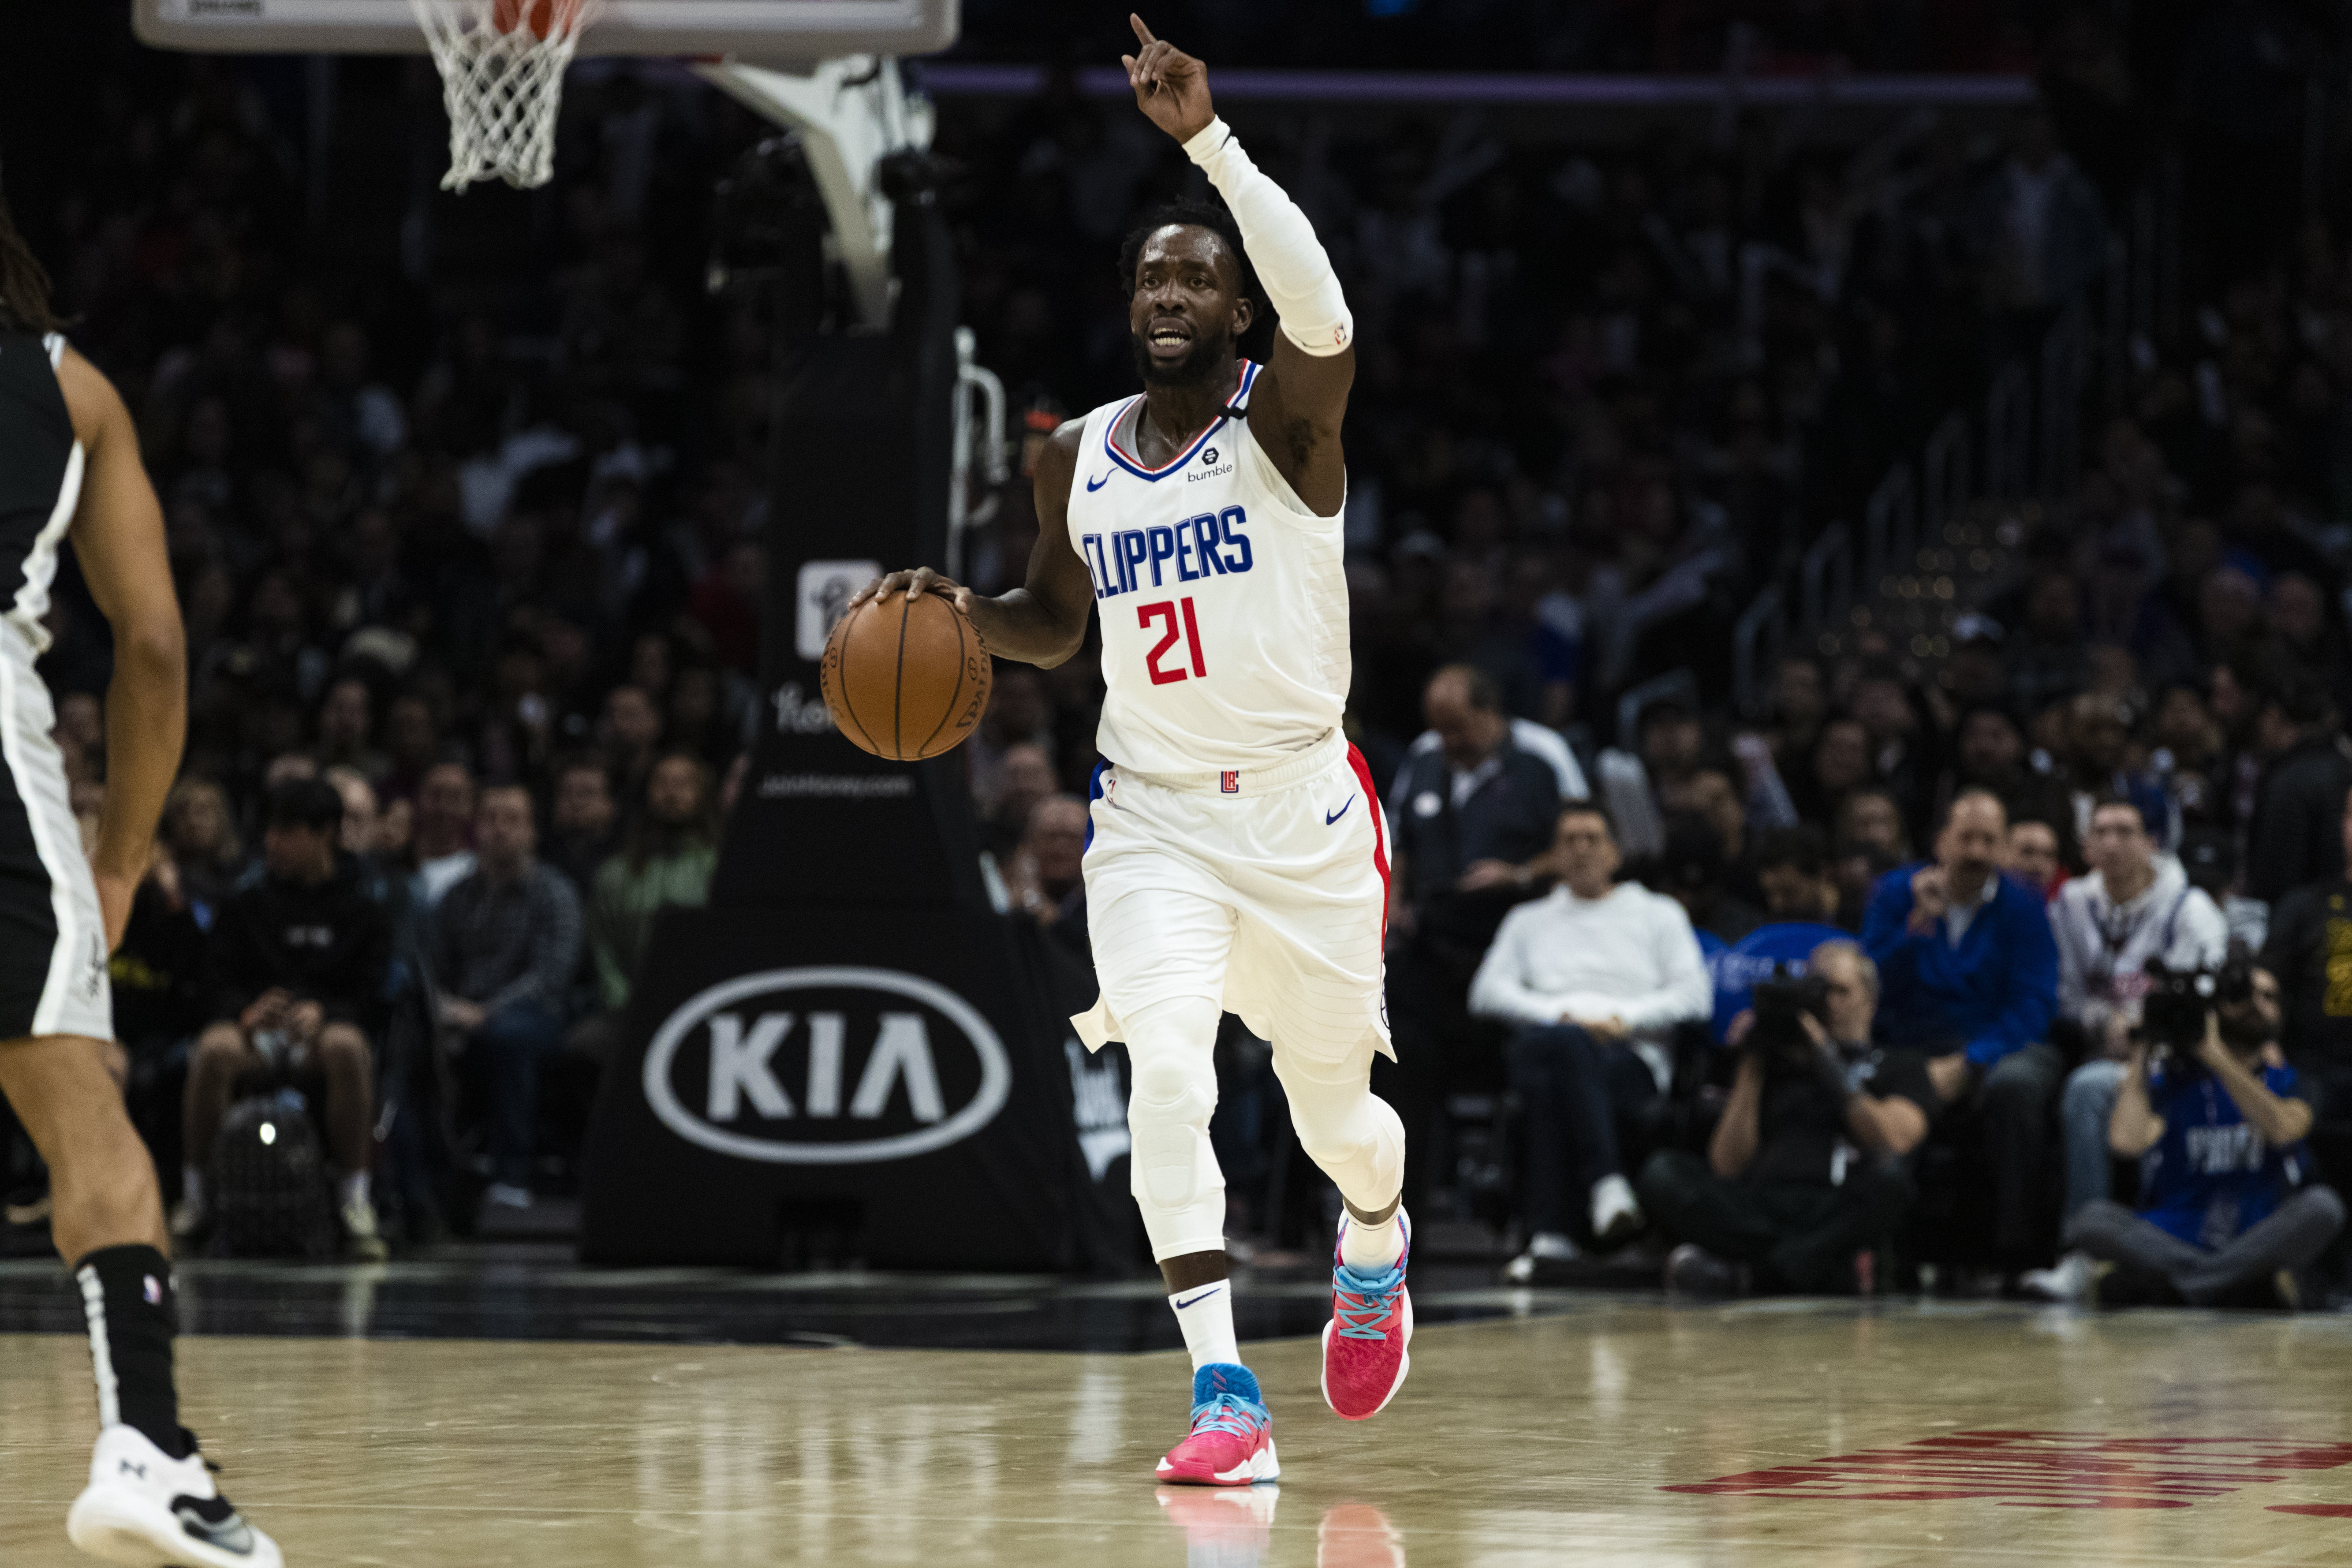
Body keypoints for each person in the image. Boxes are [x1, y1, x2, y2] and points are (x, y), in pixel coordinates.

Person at [852, 18, 1401, 1484]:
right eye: (1153, 273)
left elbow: (1329, 314)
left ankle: (1373, 1243)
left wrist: (1208, 148)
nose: (1171, 289)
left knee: (1341, 1115)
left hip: (1301, 809)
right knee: (1167, 1070)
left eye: (1198, 275)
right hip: (1153, 814)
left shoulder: (1288, 425)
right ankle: (1224, 1384)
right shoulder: (1072, 454)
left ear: (1236, 313)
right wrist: (957, 614)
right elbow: (1049, 616)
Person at [0, 211, 282, 1564]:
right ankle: (148, 1451)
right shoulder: (68, 390)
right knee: (78, 1110)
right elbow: (155, 649)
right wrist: (118, 860)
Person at [1468, 803, 1710, 1281]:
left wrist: (1625, 1018)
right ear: (1554, 856)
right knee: (1563, 1047)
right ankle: (1607, 1184)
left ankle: (1549, 1236)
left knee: (1551, 1079)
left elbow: (1695, 995)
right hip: (1550, 1038)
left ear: (1616, 852)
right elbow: (1486, 991)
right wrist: (1560, 1016)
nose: (1581, 849)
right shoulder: (1528, 919)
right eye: (1569, 840)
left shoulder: (1657, 914)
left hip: (1629, 1056)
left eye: (1592, 838)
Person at [1640, 941, 1939, 1295]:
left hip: (1835, 1205)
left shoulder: (1897, 1065)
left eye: (1841, 992)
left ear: (1871, 1002)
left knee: (1892, 1184)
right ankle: (1805, 1266)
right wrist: (1753, 1064)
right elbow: (1727, 1165)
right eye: (1817, 992)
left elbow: (1894, 1141)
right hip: (1758, 1207)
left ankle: (1754, 1274)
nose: (1829, 1003)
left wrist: (1828, 1062)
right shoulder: (1773, 1063)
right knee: (1662, 1172)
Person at [2023, 797, 2230, 1302]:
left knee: (2086, 1090)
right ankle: (2082, 1250)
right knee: (2069, 1084)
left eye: (2127, 831)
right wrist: (2102, 1020)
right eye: (2103, 832)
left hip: (2176, 1057)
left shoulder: (2190, 907)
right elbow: (2065, 994)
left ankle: (2086, 1249)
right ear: (2087, 845)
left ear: (2151, 844)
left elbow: (2204, 997)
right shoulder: (2070, 903)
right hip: (2101, 1049)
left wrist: (2141, 1030)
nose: (2114, 842)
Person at [178, 779, 390, 1267]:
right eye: (270, 831)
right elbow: (214, 983)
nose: (273, 841)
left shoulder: (364, 910)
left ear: (325, 835)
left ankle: (355, 1202)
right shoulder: (246, 905)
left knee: (349, 1048)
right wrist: (247, 1013)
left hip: (321, 1034)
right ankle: (196, 1199)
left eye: (287, 831)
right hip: (258, 1032)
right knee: (213, 1050)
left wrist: (325, 1011)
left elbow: (373, 995)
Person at [1861, 788, 2063, 1275]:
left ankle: (2015, 1253)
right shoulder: (1895, 892)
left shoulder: (2023, 906)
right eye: (1966, 838)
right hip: (1909, 1042)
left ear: (2003, 848)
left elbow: (2034, 1003)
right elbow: (1870, 987)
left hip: (1998, 1043)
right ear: (1941, 841)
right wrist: (1917, 925)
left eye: (1988, 840)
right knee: (1882, 1088)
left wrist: (1974, 1057)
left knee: (2017, 1086)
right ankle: (1879, 1248)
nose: (1975, 852)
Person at [2068, 965, 2343, 1306]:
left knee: (2324, 1207)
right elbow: (2126, 1142)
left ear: (2280, 1014)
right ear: (2214, 1009)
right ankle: (2234, 1286)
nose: (2256, 1004)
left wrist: (2215, 1055)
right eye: (2242, 995)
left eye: (2268, 997)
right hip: (2173, 1237)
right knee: (2090, 1221)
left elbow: (2283, 1131)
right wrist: (2142, 1050)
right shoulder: (2177, 1079)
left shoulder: (2292, 1081)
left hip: (2254, 1237)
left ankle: (2184, 1287)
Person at [429, 785, 582, 1217]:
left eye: (512, 819)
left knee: (509, 1038)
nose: (500, 829)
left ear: (532, 831)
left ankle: (511, 1175)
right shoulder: (457, 897)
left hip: (535, 1015)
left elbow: (550, 977)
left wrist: (485, 1013)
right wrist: (444, 1006)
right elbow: (436, 968)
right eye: (491, 819)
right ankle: (429, 1178)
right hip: (461, 1013)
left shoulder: (554, 894)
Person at [587, 752, 718, 1014]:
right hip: (627, 1010)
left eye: (683, 784)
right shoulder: (614, 874)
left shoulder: (722, 868)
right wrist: (624, 1004)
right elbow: (602, 949)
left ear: (703, 794)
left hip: (705, 1006)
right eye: (662, 783)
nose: (671, 793)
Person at [409, 759, 478, 907]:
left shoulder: (480, 873)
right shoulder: (393, 865)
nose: (444, 807)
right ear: (419, 798)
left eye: (455, 798)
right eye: (435, 795)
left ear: (470, 806)